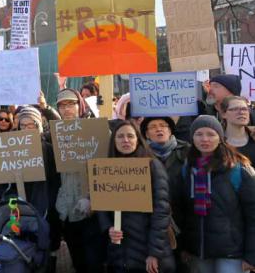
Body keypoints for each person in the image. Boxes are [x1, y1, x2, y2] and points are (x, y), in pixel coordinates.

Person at [174, 115, 255, 272]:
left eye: (211, 134)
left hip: (232, 253)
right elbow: (183, 214)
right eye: (199, 134)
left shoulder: (238, 169)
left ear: (220, 138)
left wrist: (253, 256)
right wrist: (184, 246)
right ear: (192, 138)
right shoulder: (188, 168)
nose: (204, 139)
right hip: (199, 252)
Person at [98, 121, 174, 273]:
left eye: (130, 136)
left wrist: (154, 253)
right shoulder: (106, 168)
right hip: (120, 253)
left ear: (138, 140)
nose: (125, 140)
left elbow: (161, 213)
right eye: (120, 136)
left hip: (147, 251)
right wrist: (108, 227)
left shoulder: (153, 166)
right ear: (114, 141)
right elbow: (101, 206)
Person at [54, 88, 104, 273]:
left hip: (92, 211)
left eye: (71, 104)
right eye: (62, 106)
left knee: (93, 262)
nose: (66, 109)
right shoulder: (55, 134)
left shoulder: (96, 130)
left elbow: (107, 169)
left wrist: (92, 198)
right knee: (78, 261)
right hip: (66, 210)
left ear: (79, 105)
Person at [142, 116, 191, 202]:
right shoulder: (141, 154)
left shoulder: (187, 150)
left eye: (163, 126)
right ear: (147, 134)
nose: (159, 129)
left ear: (169, 131)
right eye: (153, 127)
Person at [220, 96, 255, 171]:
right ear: (223, 114)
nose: (241, 112)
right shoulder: (217, 142)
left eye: (244, 109)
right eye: (235, 109)